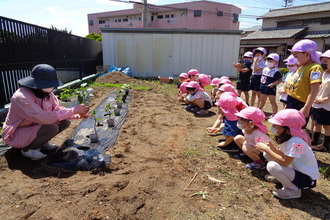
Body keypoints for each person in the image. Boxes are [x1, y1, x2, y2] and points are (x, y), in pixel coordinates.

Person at [2, 64, 90, 160]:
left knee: (64, 122)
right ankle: (28, 149)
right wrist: (72, 110)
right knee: (51, 128)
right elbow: (43, 118)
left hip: (35, 126)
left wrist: (74, 114)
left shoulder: (47, 93)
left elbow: (58, 110)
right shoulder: (21, 97)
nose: (50, 89)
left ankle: (42, 142)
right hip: (17, 133)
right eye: (47, 86)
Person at [255, 109, 320, 199]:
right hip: (295, 170)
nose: (273, 127)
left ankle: (293, 190)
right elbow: (285, 155)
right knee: (268, 154)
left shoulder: (296, 142)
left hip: (307, 180)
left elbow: (285, 162)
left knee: (272, 166)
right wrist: (272, 149)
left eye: (276, 126)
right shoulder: (289, 138)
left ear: (288, 130)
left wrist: (266, 149)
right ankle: (282, 178)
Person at [284, 39, 322, 127]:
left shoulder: (315, 68)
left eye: (296, 55)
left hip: (300, 103)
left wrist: (306, 107)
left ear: (307, 54)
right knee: (289, 126)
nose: (294, 58)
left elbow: (314, 90)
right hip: (291, 100)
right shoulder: (301, 66)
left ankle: (305, 141)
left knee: (298, 128)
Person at [311, 50, 330, 152]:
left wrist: (324, 99)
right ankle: (314, 142)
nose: (324, 63)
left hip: (327, 105)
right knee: (316, 123)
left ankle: (325, 145)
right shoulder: (320, 73)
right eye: (322, 60)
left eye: (326, 60)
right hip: (316, 104)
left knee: (327, 125)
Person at [258, 53, 282, 117]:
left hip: (271, 88)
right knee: (262, 99)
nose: (269, 62)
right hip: (263, 86)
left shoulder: (276, 71)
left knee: (272, 101)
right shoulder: (265, 69)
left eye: (271, 61)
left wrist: (273, 84)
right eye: (268, 61)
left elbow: (279, 79)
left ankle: (274, 114)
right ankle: (259, 110)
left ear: (276, 62)